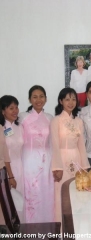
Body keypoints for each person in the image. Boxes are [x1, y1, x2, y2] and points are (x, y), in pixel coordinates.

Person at [51, 87, 90, 222]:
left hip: (77, 159)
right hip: (62, 160)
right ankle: (62, 230)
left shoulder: (78, 121)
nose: (71, 102)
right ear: (61, 101)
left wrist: (85, 167)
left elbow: (81, 146)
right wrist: (57, 168)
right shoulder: (56, 120)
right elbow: (54, 146)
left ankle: (76, 229)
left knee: (77, 193)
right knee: (62, 194)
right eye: (67, 99)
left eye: (73, 99)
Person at [19, 85, 54, 223]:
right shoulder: (22, 117)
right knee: (31, 193)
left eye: (41, 96)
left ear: (46, 99)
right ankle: (31, 230)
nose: (38, 100)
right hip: (28, 161)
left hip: (47, 161)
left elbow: (52, 143)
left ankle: (48, 228)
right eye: (35, 97)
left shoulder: (50, 118)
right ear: (29, 99)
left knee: (46, 193)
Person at [0, 95, 24, 221]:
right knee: (9, 203)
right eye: (11, 108)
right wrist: (10, 175)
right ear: (3, 111)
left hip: (20, 167)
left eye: (16, 107)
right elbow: (4, 155)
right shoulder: (1, 128)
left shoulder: (19, 127)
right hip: (7, 170)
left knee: (20, 201)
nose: (15, 110)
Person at [0, 110, 16, 225]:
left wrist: (11, 176)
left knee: (5, 206)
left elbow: (5, 154)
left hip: (1, 171)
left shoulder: (1, 128)